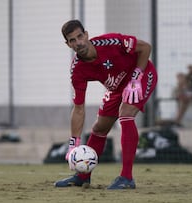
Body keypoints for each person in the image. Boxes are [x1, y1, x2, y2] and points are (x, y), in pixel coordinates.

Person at [54, 20, 157, 189]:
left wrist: (136, 78)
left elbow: (145, 47)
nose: (78, 42)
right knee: (99, 128)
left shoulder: (111, 42)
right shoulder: (77, 70)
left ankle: (126, 178)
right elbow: (78, 108)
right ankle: (82, 177)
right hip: (116, 88)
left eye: (80, 36)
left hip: (142, 75)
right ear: (68, 44)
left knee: (125, 113)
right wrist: (74, 143)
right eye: (72, 40)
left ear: (86, 35)